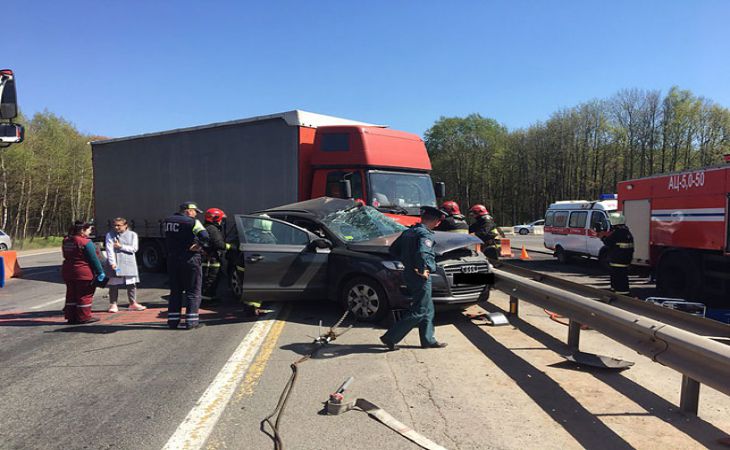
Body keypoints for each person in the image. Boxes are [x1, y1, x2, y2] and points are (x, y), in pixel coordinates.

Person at [380, 206, 448, 351]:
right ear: (436, 221)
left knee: (427, 308)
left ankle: (428, 339)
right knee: (420, 309)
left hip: (409, 273)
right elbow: (423, 252)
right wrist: (422, 269)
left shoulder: (408, 232)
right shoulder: (425, 234)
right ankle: (391, 337)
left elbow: (393, 250)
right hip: (420, 275)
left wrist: (407, 262)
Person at [163, 201, 210, 330]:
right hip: (190, 259)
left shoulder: (168, 220)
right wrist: (199, 245)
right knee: (193, 291)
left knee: (175, 291)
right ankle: (191, 321)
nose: (195, 214)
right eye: (195, 212)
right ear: (188, 211)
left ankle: (173, 321)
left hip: (173, 260)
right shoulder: (192, 222)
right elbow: (205, 236)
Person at [62, 221, 107, 324]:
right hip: (83, 272)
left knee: (71, 295)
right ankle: (84, 316)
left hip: (68, 271)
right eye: (89, 229)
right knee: (85, 295)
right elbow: (94, 259)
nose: (90, 232)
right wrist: (100, 272)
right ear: (82, 230)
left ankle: (71, 316)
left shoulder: (66, 240)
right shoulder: (85, 242)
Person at [105, 217, 146, 312]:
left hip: (128, 263)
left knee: (131, 283)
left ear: (125, 225)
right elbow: (109, 249)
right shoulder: (110, 235)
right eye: (115, 225)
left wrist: (121, 246)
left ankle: (133, 303)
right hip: (116, 263)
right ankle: (113, 304)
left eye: (119, 225)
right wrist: (112, 263)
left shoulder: (133, 235)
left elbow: (134, 248)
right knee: (114, 283)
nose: (116, 227)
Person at [202, 207, 230, 301]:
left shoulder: (205, 227)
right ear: (216, 218)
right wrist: (231, 247)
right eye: (221, 219)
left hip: (207, 257)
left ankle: (208, 297)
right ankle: (207, 299)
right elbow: (219, 244)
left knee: (207, 278)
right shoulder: (212, 229)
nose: (221, 221)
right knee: (211, 278)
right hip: (211, 259)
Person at [602, 212, 634, 295]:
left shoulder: (617, 233)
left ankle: (620, 293)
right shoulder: (627, 233)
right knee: (622, 276)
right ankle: (619, 291)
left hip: (617, 260)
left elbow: (608, 242)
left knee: (617, 276)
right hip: (626, 259)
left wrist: (602, 237)